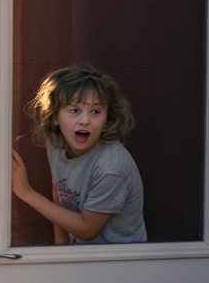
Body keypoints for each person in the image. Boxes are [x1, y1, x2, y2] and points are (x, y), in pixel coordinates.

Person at [11, 64, 146, 244]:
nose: (85, 120)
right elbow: (58, 196)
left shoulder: (111, 166)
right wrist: (62, 251)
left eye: (95, 112)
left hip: (118, 263)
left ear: (107, 118)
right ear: (54, 116)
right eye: (74, 110)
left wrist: (27, 193)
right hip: (80, 254)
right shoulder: (57, 143)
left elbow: (87, 229)